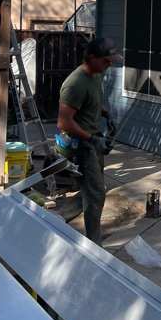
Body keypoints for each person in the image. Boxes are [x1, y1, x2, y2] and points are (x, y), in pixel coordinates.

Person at [57, 37, 121, 244]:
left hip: (92, 140)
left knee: (91, 190)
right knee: (95, 194)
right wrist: (93, 141)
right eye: (106, 60)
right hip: (80, 145)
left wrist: (105, 114)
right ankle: (94, 245)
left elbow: (90, 103)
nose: (109, 64)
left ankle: (69, 220)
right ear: (91, 58)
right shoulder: (75, 83)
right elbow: (64, 122)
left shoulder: (96, 74)